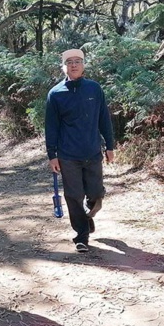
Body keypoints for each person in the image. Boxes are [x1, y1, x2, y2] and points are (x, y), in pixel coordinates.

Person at [45, 48, 114, 252]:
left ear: (83, 65)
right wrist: (52, 155)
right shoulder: (55, 94)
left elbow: (104, 119)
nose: (74, 65)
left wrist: (110, 146)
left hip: (92, 151)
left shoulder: (94, 89)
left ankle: (88, 213)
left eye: (77, 61)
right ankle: (81, 236)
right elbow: (51, 127)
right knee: (74, 196)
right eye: (69, 62)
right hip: (68, 155)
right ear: (64, 67)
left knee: (96, 193)